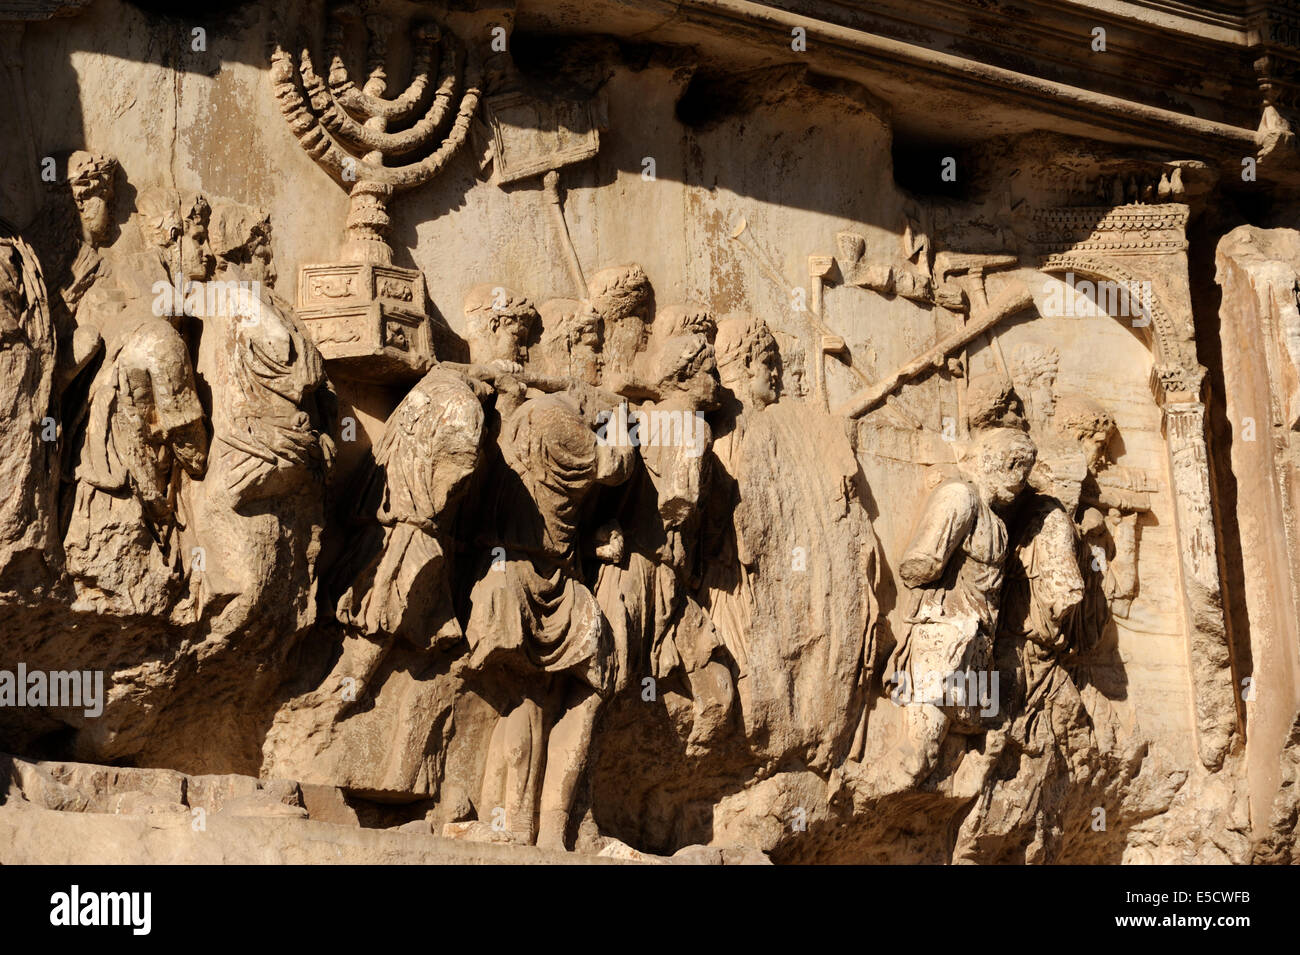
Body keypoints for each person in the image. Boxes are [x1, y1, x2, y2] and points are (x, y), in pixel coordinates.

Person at [886, 426, 1037, 783]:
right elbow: (920, 561)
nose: (1020, 482)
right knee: (918, 757)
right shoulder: (959, 497)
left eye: (1025, 472)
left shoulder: (995, 519)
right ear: (996, 460)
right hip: (942, 639)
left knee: (948, 764)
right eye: (1016, 467)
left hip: (974, 644)